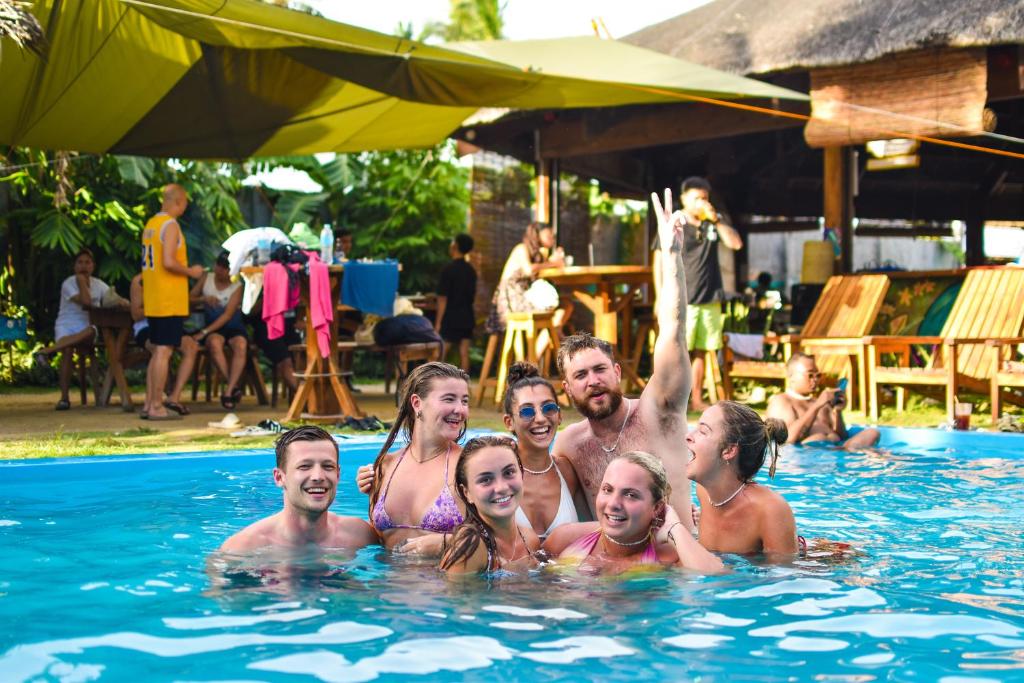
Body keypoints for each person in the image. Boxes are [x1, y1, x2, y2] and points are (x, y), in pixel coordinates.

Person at [552, 189, 695, 528]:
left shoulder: (657, 411)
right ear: (567, 389)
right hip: (614, 571)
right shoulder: (570, 444)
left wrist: (672, 257)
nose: (593, 380)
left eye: (600, 369)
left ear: (617, 372)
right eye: (581, 375)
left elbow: (673, 328)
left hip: (677, 564)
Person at [543, 451, 722, 573]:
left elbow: (714, 580)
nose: (613, 504)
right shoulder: (564, 539)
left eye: (630, 495)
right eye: (607, 489)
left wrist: (674, 527)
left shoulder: (671, 557)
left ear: (657, 508)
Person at [652, 177, 742, 411]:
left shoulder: (712, 223)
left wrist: (716, 219)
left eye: (705, 197)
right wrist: (659, 296)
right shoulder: (676, 223)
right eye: (697, 198)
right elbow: (658, 260)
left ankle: (696, 399)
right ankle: (669, 399)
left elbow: (735, 244)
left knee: (703, 350)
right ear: (684, 199)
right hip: (683, 297)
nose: (702, 202)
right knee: (677, 348)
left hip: (710, 296)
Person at [219, 426, 379, 552]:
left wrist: (376, 497)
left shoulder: (360, 536)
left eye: (327, 466)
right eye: (304, 466)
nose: (318, 476)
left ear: (338, 474)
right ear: (279, 478)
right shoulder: (242, 548)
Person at [363, 362, 471, 550]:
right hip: (385, 579)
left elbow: (508, 537)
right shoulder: (386, 465)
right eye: (449, 399)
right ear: (416, 403)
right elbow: (376, 539)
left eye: (464, 401)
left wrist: (447, 542)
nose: (460, 409)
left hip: (445, 578)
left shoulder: (470, 465)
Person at [686, 401, 799, 558]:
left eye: (703, 431)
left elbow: (783, 575)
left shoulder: (770, 509)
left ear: (729, 450)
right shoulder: (705, 493)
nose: (688, 436)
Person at [141, 184, 204, 420]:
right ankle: (157, 405)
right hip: (168, 298)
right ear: (178, 201)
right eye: (185, 203)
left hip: (154, 296)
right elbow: (168, 261)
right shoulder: (170, 225)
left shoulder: (151, 225)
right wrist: (192, 272)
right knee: (164, 351)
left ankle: (149, 403)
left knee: (158, 350)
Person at [503, 362, 585, 538]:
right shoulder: (497, 475)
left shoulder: (567, 472)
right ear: (509, 422)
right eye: (526, 412)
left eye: (548, 408)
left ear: (560, 415)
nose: (540, 419)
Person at [439, 435, 542, 574]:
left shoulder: (530, 540)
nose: (501, 488)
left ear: (521, 475)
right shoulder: (471, 547)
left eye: (509, 472)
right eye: (486, 480)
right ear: (467, 492)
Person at [34, 248, 110, 410]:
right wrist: (82, 281)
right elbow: (86, 302)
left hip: (87, 327)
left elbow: (110, 298)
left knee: (91, 330)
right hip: (66, 325)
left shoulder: (99, 284)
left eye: (87, 263)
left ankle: (47, 351)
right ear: (74, 266)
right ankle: (64, 398)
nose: (84, 266)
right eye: (80, 262)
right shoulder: (68, 283)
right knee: (67, 350)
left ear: (93, 266)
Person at [766, 353, 881, 449]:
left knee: (872, 433)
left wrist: (838, 411)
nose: (815, 379)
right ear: (792, 377)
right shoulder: (781, 401)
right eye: (810, 375)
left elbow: (841, 436)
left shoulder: (820, 401)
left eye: (818, 375)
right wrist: (817, 406)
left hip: (836, 451)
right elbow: (787, 440)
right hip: (809, 457)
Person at [129, 273, 199, 417]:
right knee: (160, 349)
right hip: (146, 327)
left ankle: (174, 397)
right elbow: (136, 314)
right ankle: (151, 403)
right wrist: (158, 303)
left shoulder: (174, 278)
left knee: (191, 346)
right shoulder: (140, 281)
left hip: (170, 320)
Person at [190, 250, 248, 410]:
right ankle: (232, 384)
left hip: (231, 326)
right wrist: (203, 299)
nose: (221, 270)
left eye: (225, 267)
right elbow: (189, 298)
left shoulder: (237, 286)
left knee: (241, 344)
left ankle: (228, 390)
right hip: (213, 327)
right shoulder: (206, 279)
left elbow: (228, 315)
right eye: (219, 265)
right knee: (214, 343)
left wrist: (204, 332)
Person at [485, 222, 564, 335]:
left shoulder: (540, 255)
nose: (553, 239)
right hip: (512, 300)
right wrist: (553, 263)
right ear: (537, 235)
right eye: (549, 235)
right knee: (554, 312)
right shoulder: (521, 249)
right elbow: (529, 270)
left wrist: (553, 261)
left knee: (565, 306)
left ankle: (540, 349)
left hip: (526, 296)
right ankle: (538, 350)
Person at [435, 233, 478, 373]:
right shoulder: (471, 270)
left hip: (450, 317)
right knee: (464, 353)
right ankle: (465, 386)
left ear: (455, 246)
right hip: (467, 316)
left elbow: (442, 299)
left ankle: (432, 385)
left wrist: (438, 322)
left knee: (440, 353)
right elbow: (471, 296)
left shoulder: (448, 270)